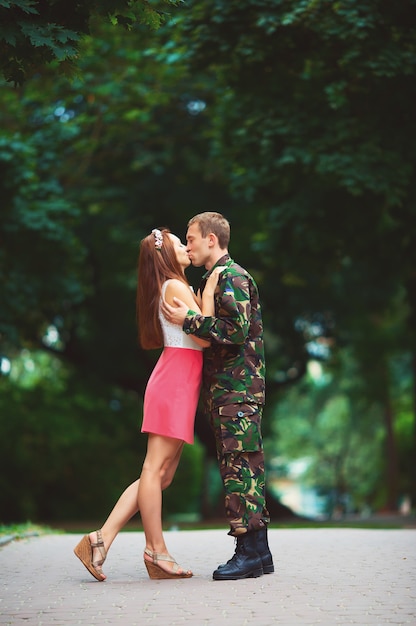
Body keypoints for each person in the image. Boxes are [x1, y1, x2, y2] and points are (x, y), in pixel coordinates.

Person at [74, 227, 223, 581]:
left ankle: (100, 540)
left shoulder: (177, 286)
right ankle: (156, 551)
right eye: (179, 244)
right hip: (174, 382)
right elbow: (203, 337)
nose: (187, 248)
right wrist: (211, 293)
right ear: (166, 255)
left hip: (179, 382)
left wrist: (201, 300)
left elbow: (196, 329)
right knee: (154, 471)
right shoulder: (174, 286)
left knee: (160, 475)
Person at [161, 212, 274, 581]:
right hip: (229, 392)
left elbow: (236, 329)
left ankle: (249, 554)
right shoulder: (215, 279)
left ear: (212, 240)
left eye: (191, 238)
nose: (188, 244)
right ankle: (258, 552)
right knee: (241, 467)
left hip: (238, 391)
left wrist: (188, 321)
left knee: (241, 468)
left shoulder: (232, 276)